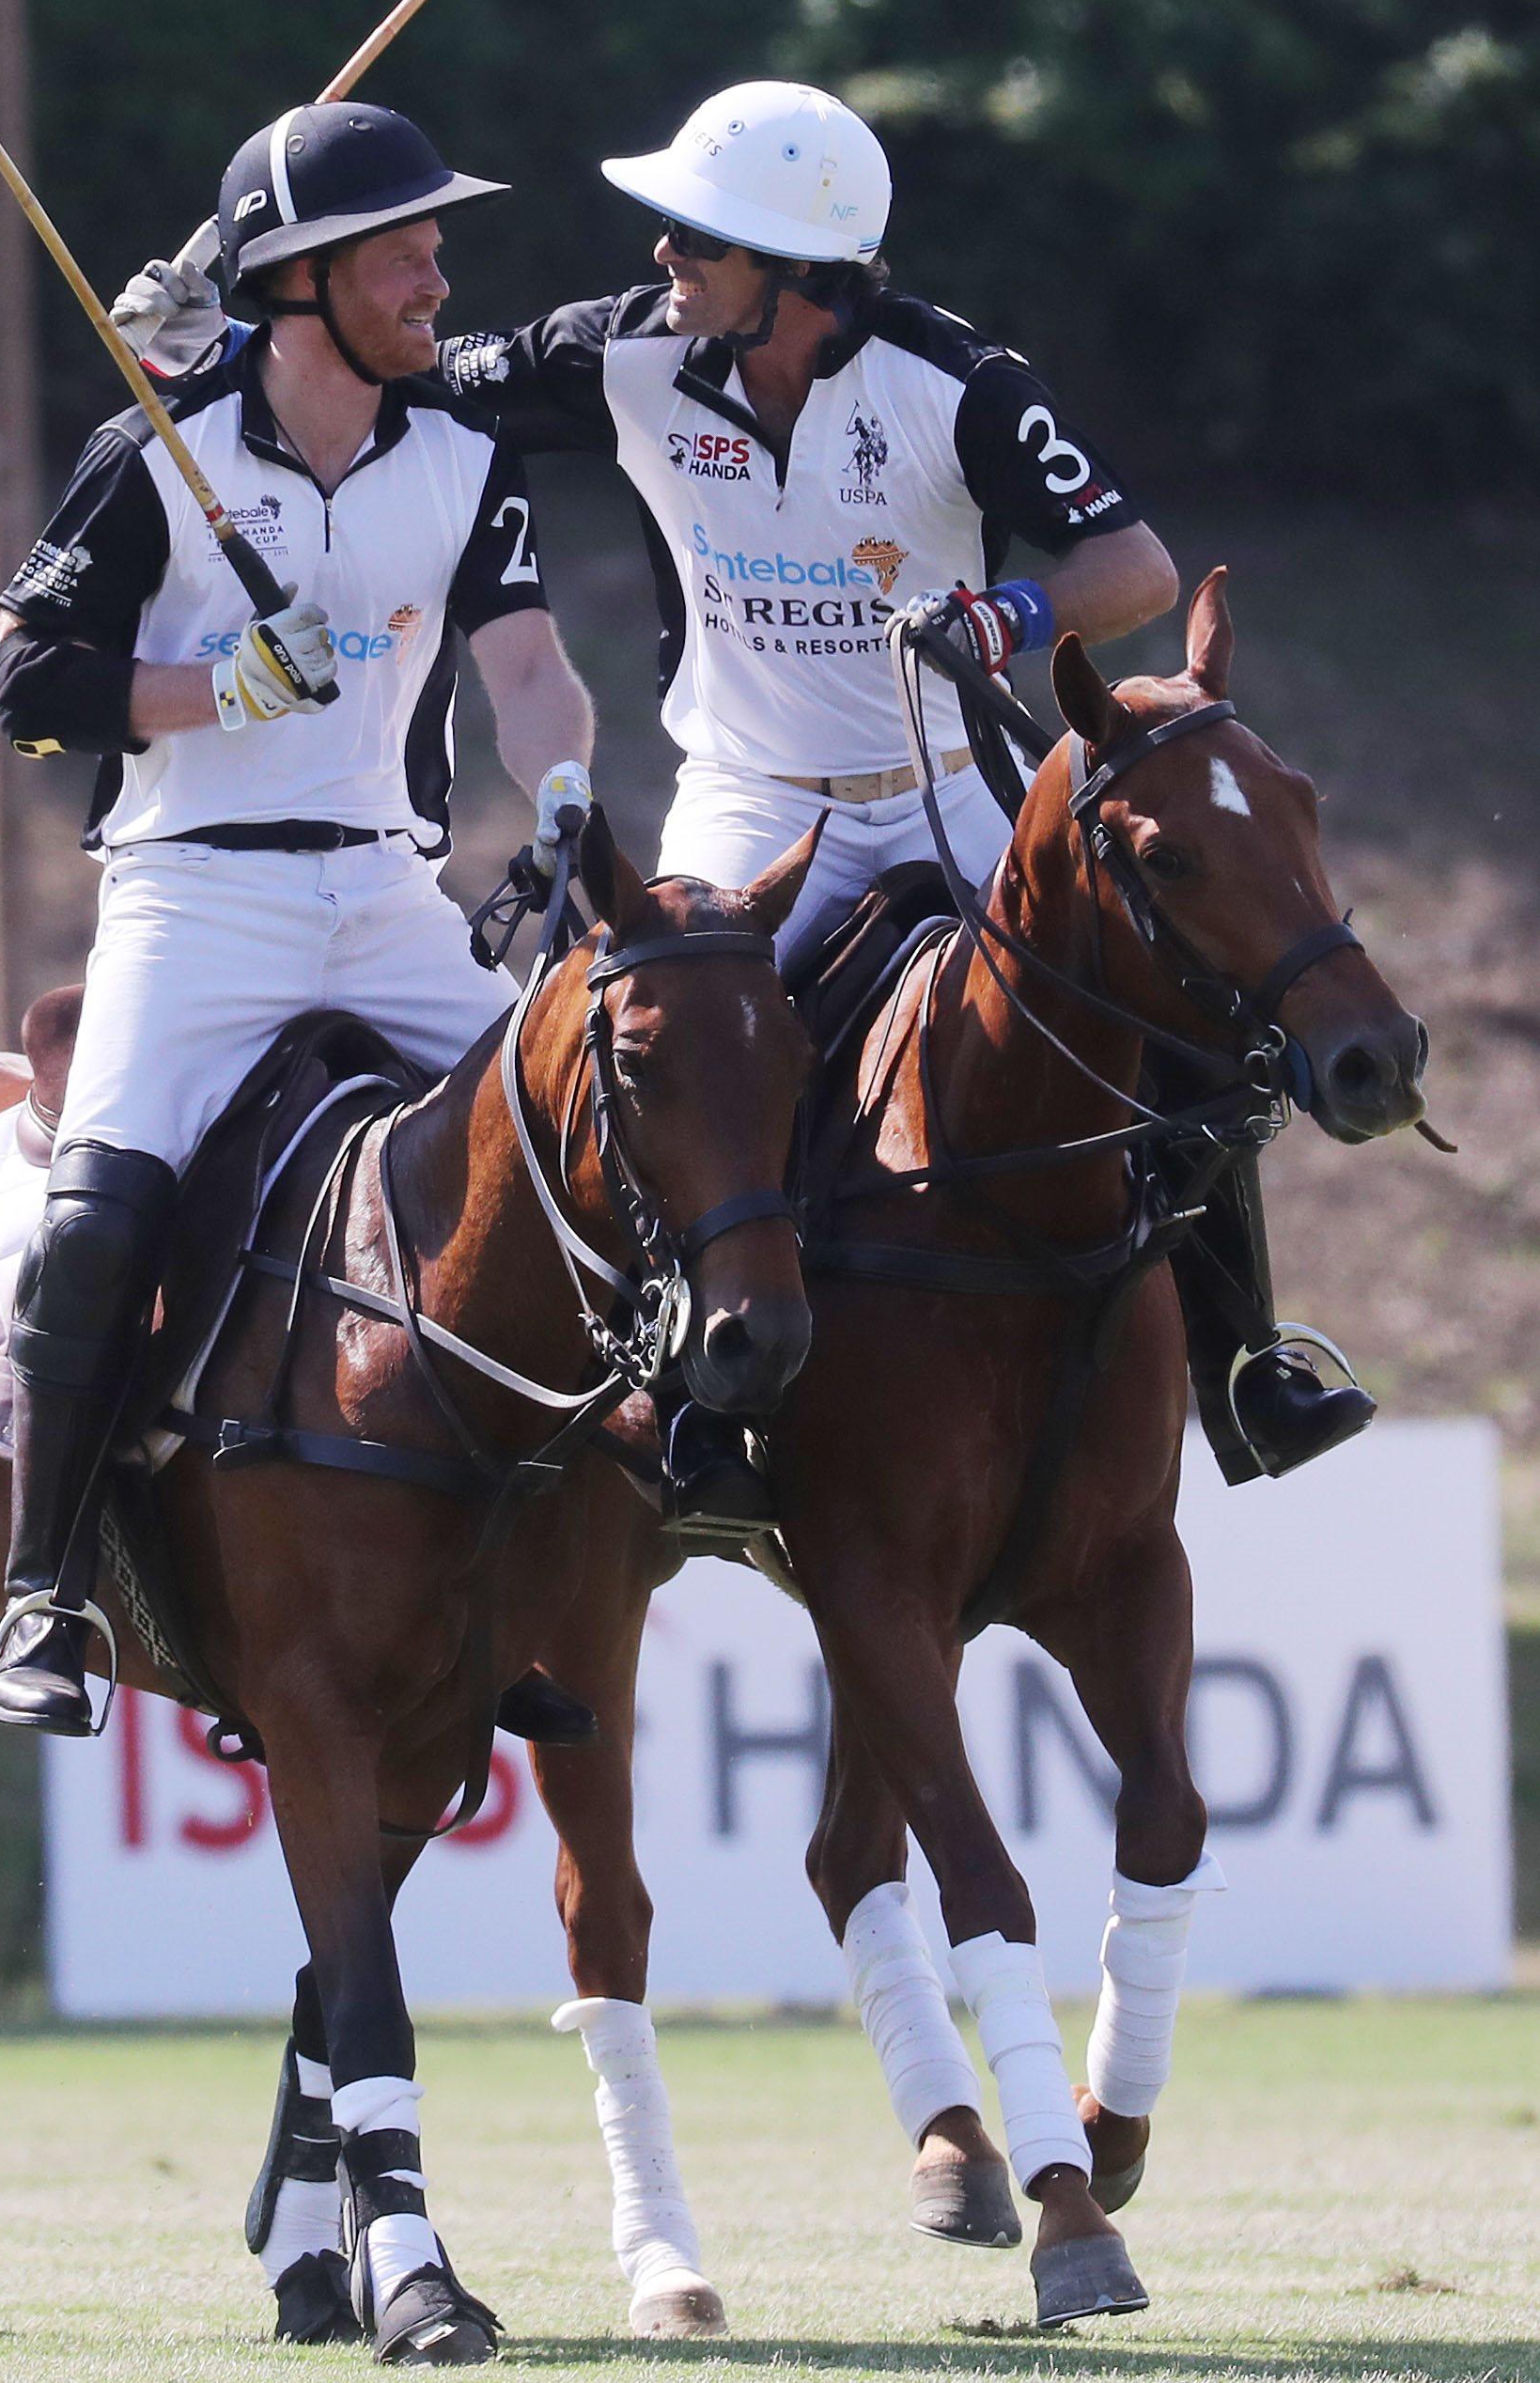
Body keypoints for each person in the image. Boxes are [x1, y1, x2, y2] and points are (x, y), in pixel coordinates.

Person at [117, 80, 1374, 1509]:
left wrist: (1009, 615)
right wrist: (215, 341)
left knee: (1167, 1012)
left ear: (796, 272)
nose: (664, 260)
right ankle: (675, 1396)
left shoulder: (954, 381)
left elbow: (1136, 563)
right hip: (754, 797)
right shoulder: (624, 353)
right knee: (671, 1045)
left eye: (696, 241)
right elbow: (398, 369)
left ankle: (1245, 1364)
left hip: (952, 780)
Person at [0, 102, 596, 1736]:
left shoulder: (468, 451)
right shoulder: (158, 450)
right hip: (198, 894)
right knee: (100, 1217)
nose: (439, 275)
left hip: (393, 891)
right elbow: (26, 687)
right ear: (305, 279)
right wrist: (213, 685)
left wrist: (566, 801)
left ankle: (536, 1572)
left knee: (581, 1152)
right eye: (406, 252)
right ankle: (43, 1593)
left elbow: (524, 665)